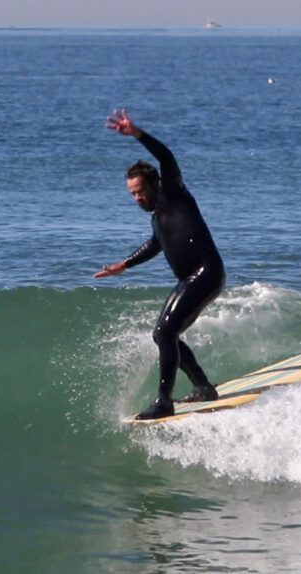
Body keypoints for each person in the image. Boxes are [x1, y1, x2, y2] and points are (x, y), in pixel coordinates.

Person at [95, 110, 226, 420]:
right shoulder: (158, 217)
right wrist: (124, 264)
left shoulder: (173, 193)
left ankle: (164, 402)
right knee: (163, 335)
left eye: (141, 191)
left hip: (205, 273)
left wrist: (137, 133)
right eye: (133, 194)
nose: (138, 198)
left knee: (166, 334)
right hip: (191, 278)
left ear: (155, 184)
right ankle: (203, 386)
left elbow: (166, 156)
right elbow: (155, 244)